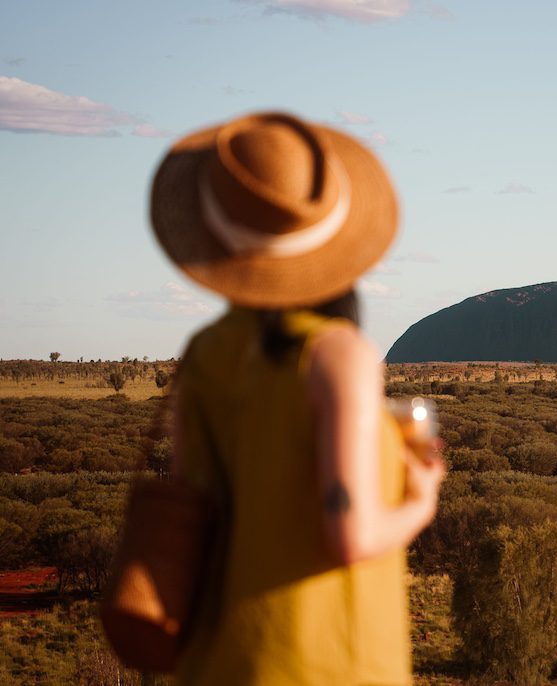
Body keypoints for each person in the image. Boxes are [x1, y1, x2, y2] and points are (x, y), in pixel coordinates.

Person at [149, 111, 446, 685]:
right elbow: (351, 537)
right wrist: (423, 501)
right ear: (333, 231)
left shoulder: (206, 351)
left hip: (214, 661)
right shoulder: (336, 355)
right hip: (323, 662)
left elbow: (192, 505)